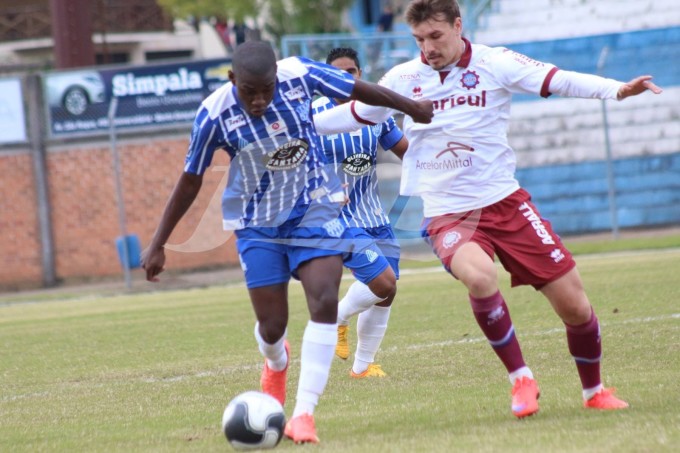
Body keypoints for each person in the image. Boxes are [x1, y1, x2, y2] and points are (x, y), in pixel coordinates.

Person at [313, 0, 662, 418]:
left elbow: (555, 79)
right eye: (420, 39)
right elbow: (353, 115)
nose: (428, 47)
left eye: (436, 36)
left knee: (576, 307)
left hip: (507, 204)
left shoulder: (496, 63)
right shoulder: (403, 78)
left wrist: (616, 89)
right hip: (449, 213)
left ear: (458, 25)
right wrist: (297, 122)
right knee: (480, 277)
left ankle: (594, 390)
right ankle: (521, 379)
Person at [141, 41, 432, 444]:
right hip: (257, 223)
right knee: (273, 327)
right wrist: (159, 242)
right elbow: (191, 178)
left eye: (267, 89)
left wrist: (410, 106)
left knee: (324, 300)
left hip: (314, 210)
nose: (260, 100)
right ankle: (276, 362)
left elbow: (356, 91)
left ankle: (303, 415)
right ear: (232, 81)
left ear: (277, 78)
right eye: (250, 92)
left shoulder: (299, 74)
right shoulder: (213, 115)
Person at [312, 47, 408, 379]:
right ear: (325, 80)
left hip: (374, 216)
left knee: (388, 290)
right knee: (382, 281)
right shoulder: (313, 116)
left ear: (360, 74)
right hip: (335, 219)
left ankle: (363, 366)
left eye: (351, 71)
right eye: (337, 73)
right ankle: (337, 317)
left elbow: (405, 151)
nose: (345, 78)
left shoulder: (374, 114)